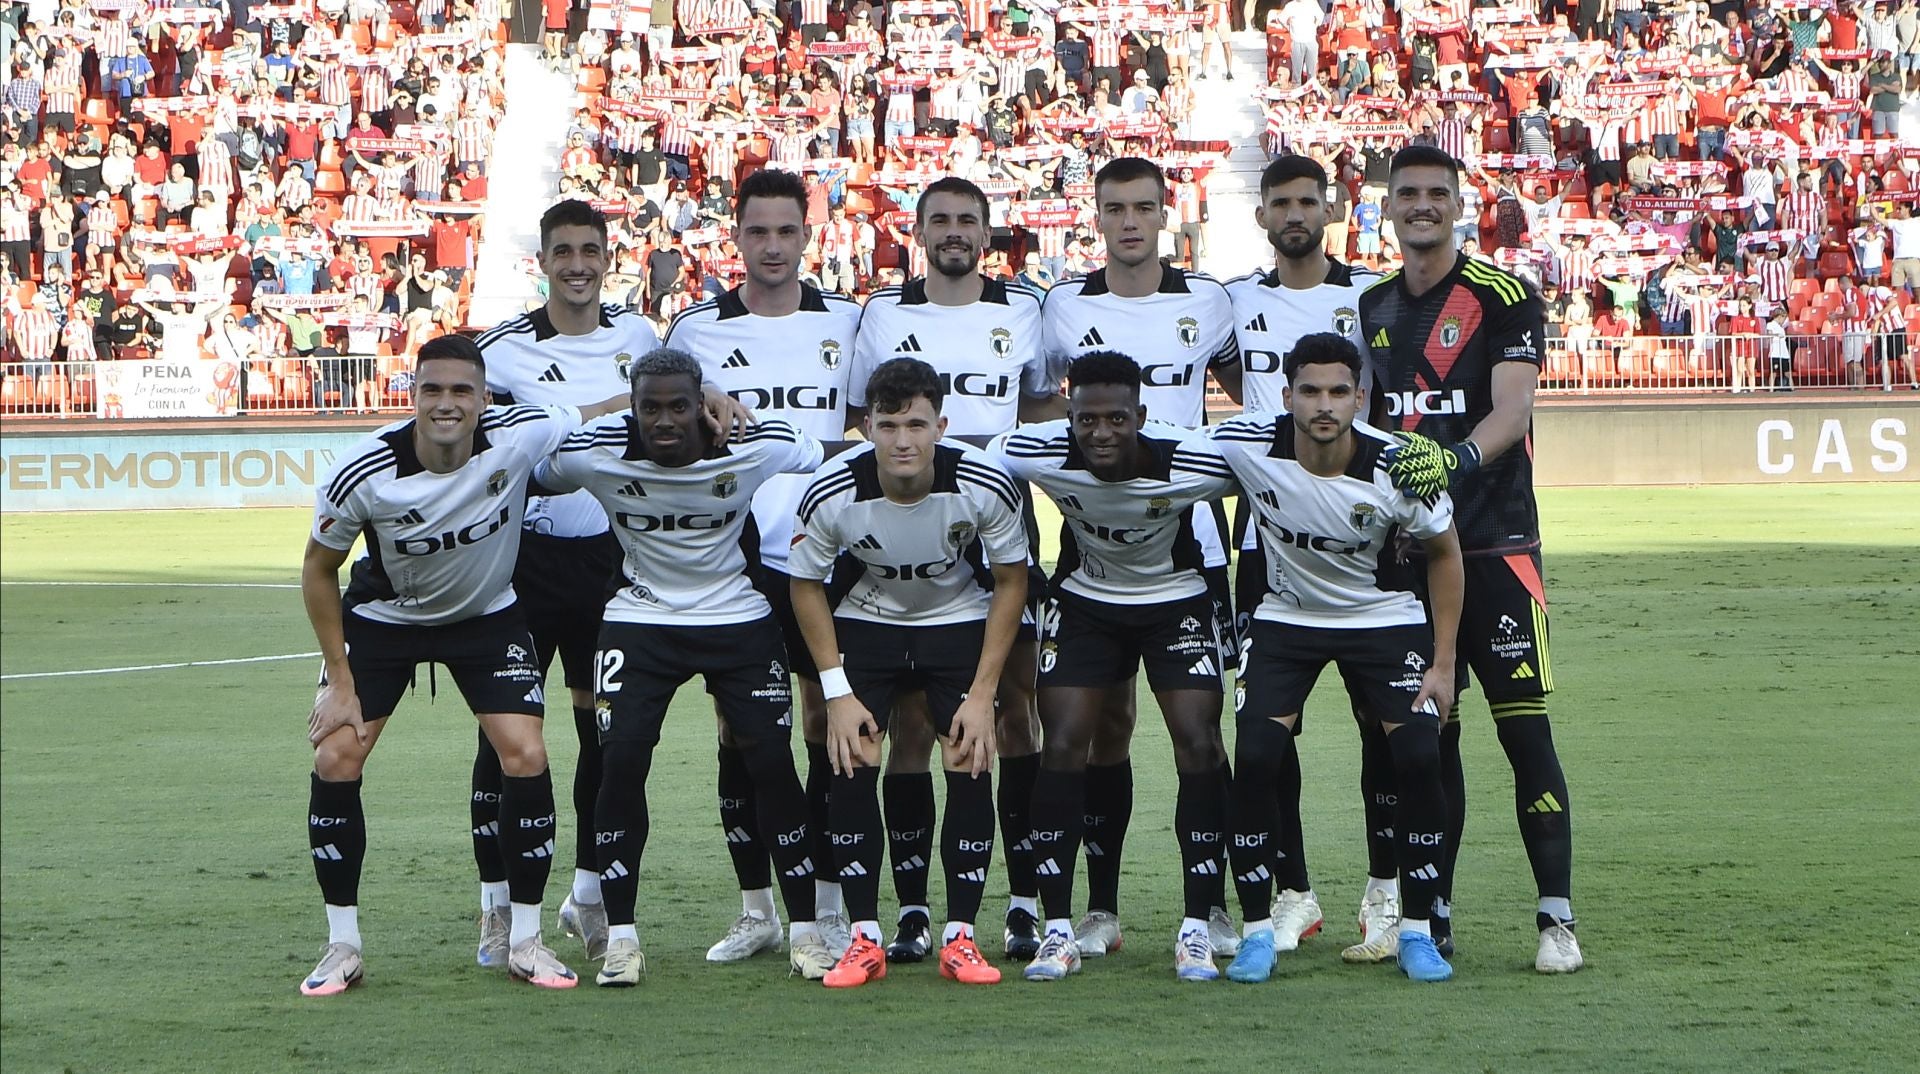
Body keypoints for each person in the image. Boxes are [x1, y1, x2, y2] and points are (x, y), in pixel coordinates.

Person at [297, 335, 625, 997]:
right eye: (432, 390)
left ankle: (524, 938)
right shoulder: (362, 470)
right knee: (337, 756)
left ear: (483, 399)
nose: (446, 404)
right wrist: (338, 676)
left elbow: (598, 409)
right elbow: (318, 568)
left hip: (486, 617)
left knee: (526, 753)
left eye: (461, 391)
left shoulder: (521, 432)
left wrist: (690, 392)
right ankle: (342, 945)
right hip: (386, 620)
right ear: (412, 394)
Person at [535, 349, 831, 985]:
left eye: (678, 406)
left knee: (774, 766)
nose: (663, 421)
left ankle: (805, 931)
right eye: (648, 408)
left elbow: (807, 449)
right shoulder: (599, 453)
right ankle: (621, 939)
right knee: (619, 764)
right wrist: (613, 418)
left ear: (702, 404)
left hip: (737, 620)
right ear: (632, 407)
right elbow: (539, 469)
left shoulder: (748, 445)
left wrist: (741, 412)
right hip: (641, 623)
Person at [1361, 144, 1583, 974]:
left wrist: (1453, 461)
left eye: (1436, 194)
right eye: (1407, 193)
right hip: (1411, 558)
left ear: (1460, 205)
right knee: (1427, 744)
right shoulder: (1372, 306)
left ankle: (1555, 918)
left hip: (1498, 548)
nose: (1422, 205)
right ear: (1387, 206)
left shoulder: (1501, 296)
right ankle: (1432, 913)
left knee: (1526, 736)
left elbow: (1514, 407)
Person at [848, 177, 1058, 964]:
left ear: (988, 231)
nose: (954, 232)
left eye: (968, 220)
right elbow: (856, 417)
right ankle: (910, 910)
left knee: (1014, 709)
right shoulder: (882, 314)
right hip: (906, 531)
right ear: (919, 231)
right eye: (940, 220)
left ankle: (1026, 898)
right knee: (908, 722)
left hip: (997, 531)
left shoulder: (1025, 309)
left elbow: (1036, 405)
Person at [1211, 331, 1463, 984]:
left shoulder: (1401, 464)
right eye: (1310, 391)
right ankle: (1258, 932)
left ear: (1360, 397)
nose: (1324, 405)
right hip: (1286, 618)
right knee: (1258, 758)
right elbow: (1165, 460)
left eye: (1338, 392)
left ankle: (1415, 929)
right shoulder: (1244, 444)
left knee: (1416, 755)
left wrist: (1441, 663)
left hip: (1383, 620)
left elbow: (1446, 554)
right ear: (1288, 394)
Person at [1038, 157, 1240, 961]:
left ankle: (1212, 907)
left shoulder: (1209, 302)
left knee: (1201, 733)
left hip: (1190, 544)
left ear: (1167, 215)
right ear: (1096, 216)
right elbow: (1035, 405)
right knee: (1100, 732)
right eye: (1115, 208)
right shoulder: (1060, 307)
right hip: (1091, 547)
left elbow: (1250, 390)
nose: (1130, 222)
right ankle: (1098, 909)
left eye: (1144, 208)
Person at [664, 168, 865, 972]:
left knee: (826, 724)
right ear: (736, 236)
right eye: (758, 232)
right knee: (740, 731)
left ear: (808, 237)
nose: (773, 246)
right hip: (735, 555)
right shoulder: (694, 329)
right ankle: (756, 911)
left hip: (826, 552)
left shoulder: (850, 323)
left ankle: (824, 905)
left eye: (788, 231)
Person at [987, 351, 1239, 982]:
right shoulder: (1042, 450)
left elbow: (1272, 466)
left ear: (1142, 418)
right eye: (1086, 419)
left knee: (1199, 743)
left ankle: (1198, 924)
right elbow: (977, 457)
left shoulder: (1190, 458)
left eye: (1117, 420)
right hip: (1087, 603)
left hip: (1175, 599)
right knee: (1064, 745)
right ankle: (1060, 930)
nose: (1100, 432)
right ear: (1069, 417)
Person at [788, 357, 1031, 989]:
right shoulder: (831, 491)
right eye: (889, 424)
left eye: (917, 424)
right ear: (865, 427)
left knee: (970, 753)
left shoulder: (983, 484)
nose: (903, 440)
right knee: (852, 753)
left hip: (957, 618)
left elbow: (1011, 583)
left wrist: (983, 694)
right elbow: (806, 585)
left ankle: (960, 939)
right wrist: (835, 690)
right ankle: (863, 937)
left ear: (941, 426)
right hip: (868, 620)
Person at [468, 200, 662, 970]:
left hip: (610, 562)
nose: (577, 264)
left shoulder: (641, 337)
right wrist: (606, 407)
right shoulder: (504, 349)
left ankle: (585, 894)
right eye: (563, 252)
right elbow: (502, 445)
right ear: (541, 261)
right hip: (526, 561)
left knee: (603, 739)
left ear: (607, 256)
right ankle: (493, 910)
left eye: (590, 250)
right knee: (506, 738)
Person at [1223, 153, 1388, 964]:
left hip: (1361, 536)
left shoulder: (1368, 297)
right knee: (1265, 732)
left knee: (1382, 725)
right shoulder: (1234, 301)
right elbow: (1216, 373)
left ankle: (1387, 891)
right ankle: (1291, 891)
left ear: (1330, 211)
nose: (1294, 214)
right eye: (1280, 202)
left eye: (1307, 202)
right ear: (1261, 215)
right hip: (1263, 542)